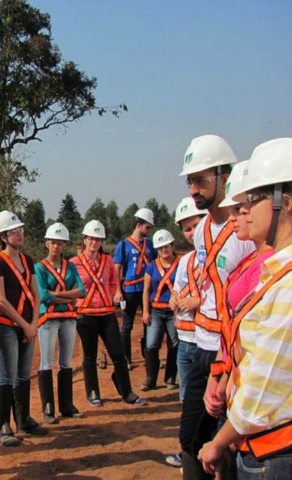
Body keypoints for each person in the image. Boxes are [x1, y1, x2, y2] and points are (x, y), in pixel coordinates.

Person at [199, 138, 292, 478]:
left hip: (274, 451)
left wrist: (219, 442)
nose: (243, 211)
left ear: (288, 200)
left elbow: (261, 391)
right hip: (256, 442)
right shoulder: (275, 273)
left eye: (255, 199)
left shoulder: (287, 286)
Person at [177, 134, 255, 477]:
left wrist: (226, 368)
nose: (194, 189)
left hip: (230, 354)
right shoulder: (202, 229)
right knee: (192, 442)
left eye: (201, 180)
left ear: (226, 175)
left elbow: (244, 303)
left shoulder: (246, 230)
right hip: (201, 347)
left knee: (227, 444)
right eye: (191, 181)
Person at [72, 220, 146, 407]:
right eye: (91, 239)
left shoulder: (107, 261)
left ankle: (126, 391)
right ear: (85, 239)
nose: (94, 243)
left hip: (106, 313)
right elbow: (69, 286)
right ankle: (93, 392)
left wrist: (111, 294)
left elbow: (114, 281)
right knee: (89, 356)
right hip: (85, 314)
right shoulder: (74, 263)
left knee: (118, 354)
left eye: (98, 239)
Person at [0, 210, 47, 448]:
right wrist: (25, 325)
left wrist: (33, 324)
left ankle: (23, 419)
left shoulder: (27, 260)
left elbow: (35, 293)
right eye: (14, 231)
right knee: (7, 374)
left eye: (20, 230)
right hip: (5, 327)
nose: (19, 234)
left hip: (27, 326)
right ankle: (3, 427)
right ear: (2, 236)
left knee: (23, 374)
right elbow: (0, 301)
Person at [165, 197, 208, 469]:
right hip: (185, 340)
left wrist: (199, 303)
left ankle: (207, 455)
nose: (191, 233)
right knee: (188, 402)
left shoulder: (221, 256)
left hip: (206, 342)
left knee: (211, 405)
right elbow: (179, 289)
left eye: (194, 226)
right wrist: (175, 299)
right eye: (186, 229)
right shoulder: (186, 260)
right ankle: (191, 454)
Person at [34, 222, 86, 423]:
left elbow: (81, 291)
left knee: (66, 362)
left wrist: (56, 293)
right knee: (46, 362)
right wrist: (67, 297)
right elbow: (43, 297)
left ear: (65, 245)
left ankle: (67, 405)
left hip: (68, 320)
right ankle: (48, 408)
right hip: (48, 320)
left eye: (60, 243)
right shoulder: (39, 268)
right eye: (53, 242)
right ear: (47, 243)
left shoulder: (70, 266)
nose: (56, 246)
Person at [113, 207, 156, 369]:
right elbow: (117, 268)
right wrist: (118, 290)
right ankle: (126, 358)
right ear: (138, 225)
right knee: (127, 325)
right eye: (147, 227)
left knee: (149, 323)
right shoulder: (123, 245)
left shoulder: (151, 244)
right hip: (130, 290)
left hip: (148, 290)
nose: (149, 230)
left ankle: (149, 358)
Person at [141, 229, 180, 391]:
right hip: (156, 311)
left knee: (174, 344)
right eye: (160, 248)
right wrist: (145, 311)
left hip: (174, 312)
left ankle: (170, 377)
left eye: (166, 246)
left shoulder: (181, 264)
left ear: (172, 246)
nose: (163, 250)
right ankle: (151, 378)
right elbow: (146, 290)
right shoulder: (152, 267)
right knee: (151, 344)